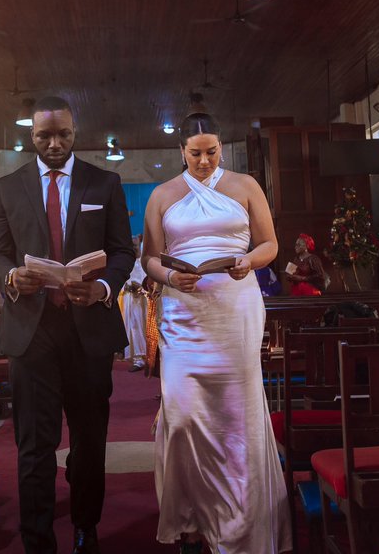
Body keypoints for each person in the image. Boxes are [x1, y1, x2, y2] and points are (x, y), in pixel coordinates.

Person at [0, 95, 134, 554]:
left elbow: (123, 251)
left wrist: (103, 288)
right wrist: (11, 275)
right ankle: (38, 540)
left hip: (87, 329)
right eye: (43, 136)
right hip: (32, 331)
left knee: (89, 443)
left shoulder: (104, 183)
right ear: (30, 136)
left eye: (62, 134)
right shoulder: (8, 186)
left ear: (75, 132)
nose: (54, 143)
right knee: (34, 446)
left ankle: (86, 529)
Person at [142, 112, 291, 554]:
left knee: (236, 416)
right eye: (195, 153)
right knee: (184, 416)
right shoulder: (163, 194)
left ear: (220, 148)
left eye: (211, 152)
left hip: (235, 309)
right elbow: (150, 257)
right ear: (180, 151)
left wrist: (249, 261)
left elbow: (270, 244)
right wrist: (170, 278)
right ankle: (189, 517)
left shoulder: (245, 186)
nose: (204, 161)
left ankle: (242, 521)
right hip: (184, 314)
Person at [121, 238, 149, 371]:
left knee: (145, 327)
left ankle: (149, 357)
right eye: (132, 246)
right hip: (131, 302)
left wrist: (141, 289)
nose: (135, 248)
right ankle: (138, 358)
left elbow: (150, 282)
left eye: (136, 245)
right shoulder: (126, 263)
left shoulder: (145, 263)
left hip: (144, 301)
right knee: (133, 328)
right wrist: (128, 287)